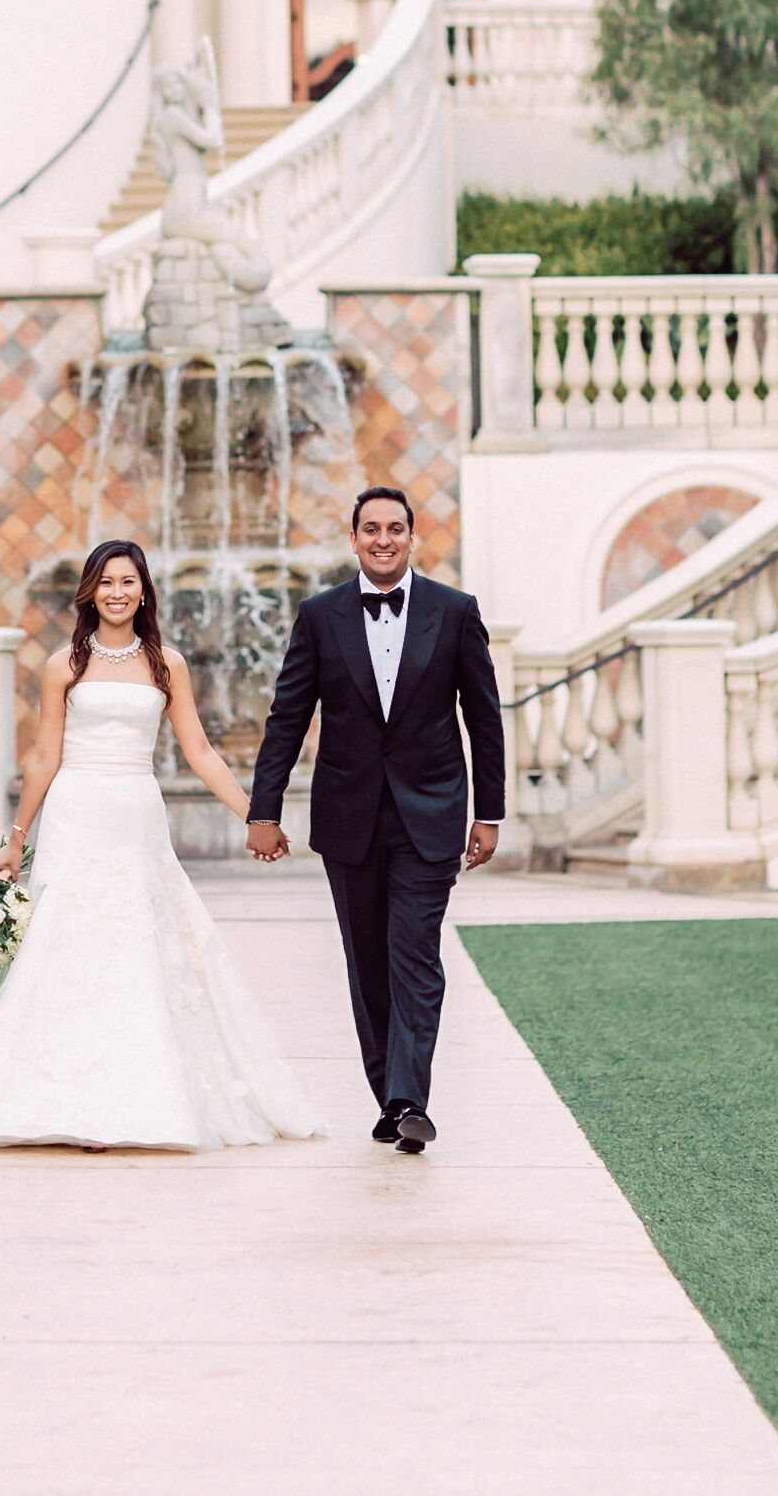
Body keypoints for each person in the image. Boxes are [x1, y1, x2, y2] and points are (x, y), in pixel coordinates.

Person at [0, 539, 326, 1152]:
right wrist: (15, 841)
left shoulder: (167, 664)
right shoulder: (64, 665)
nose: (118, 592)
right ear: (90, 591)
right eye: (106, 582)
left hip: (135, 815)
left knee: (138, 940)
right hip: (75, 814)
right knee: (68, 941)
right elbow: (44, 755)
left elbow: (198, 751)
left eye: (128, 581)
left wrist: (257, 815)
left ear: (144, 591)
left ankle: (132, 1103)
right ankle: (56, 1102)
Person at [245, 486, 505, 1157]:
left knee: (414, 951)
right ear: (353, 538)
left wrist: (490, 810)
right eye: (370, 528)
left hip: (432, 814)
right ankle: (388, 1090)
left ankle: (409, 1097)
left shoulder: (454, 611)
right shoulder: (320, 614)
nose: (383, 538)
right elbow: (286, 716)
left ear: (412, 537)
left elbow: (482, 718)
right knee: (367, 961)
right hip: (348, 817)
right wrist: (263, 809)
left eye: (395, 527)